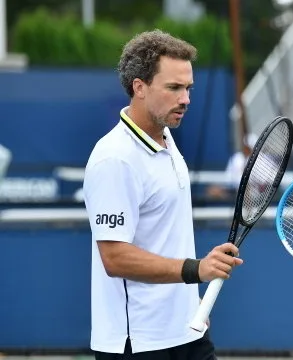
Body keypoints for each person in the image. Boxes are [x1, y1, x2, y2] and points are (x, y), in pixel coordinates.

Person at [83, 30, 243, 360]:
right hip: (137, 344)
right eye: (174, 88)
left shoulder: (167, 141)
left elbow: (166, 238)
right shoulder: (115, 158)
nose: (185, 98)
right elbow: (115, 258)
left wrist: (190, 301)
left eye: (188, 88)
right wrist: (196, 269)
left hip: (188, 330)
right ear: (139, 87)